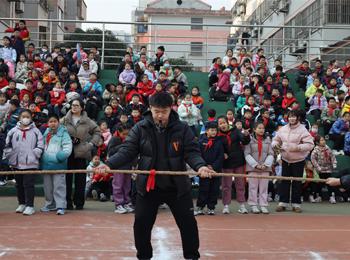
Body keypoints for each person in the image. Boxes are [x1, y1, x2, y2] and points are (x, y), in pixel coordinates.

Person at [100, 92, 215, 259]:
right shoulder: (140, 128)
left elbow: (192, 152)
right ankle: (144, 256)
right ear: (150, 109)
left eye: (164, 111)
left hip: (177, 187)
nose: (160, 115)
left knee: (188, 224)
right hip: (148, 186)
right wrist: (108, 164)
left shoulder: (182, 129)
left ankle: (191, 256)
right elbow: (127, 151)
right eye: (156, 111)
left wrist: (201, 166)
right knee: (141, 224)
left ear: (171, 109)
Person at [60, 99, 101, 210]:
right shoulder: (64, 120)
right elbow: (57, 131)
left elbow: (97, 132)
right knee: (67, 179)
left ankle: (79, 203)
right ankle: (67, 202)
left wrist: (90, 144)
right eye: (73, 105)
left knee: (80, 179)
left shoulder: (87, 121)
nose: (74, 107)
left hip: (82, 153)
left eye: (77, 105)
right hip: (67, 153)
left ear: (82, 107)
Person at [272, 110, 314, 213]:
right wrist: (275, 145)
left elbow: (310, 144)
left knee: (297, 182)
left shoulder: (303, 130)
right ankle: (283, 203)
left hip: (298, 161)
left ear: (298, 118)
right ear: (287, 118)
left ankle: (296, 204)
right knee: (284, 182)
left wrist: (296, 147)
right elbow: (276, 140)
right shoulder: (283, 129)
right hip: (285, 159)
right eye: (290, 117)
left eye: (294, 117)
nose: (292, 119)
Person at [4, 109, 44, 216]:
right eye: (23, 116)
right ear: (20, 118)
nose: (25, 119)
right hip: (16, 163)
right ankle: (21, 203)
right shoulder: (13, 131)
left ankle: (30, 206)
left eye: (27, 117)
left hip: (30, 163)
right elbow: (7, 145)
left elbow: (40, 145)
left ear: (31, 118)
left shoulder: (36, 131)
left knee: (28, 184)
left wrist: (35, 153)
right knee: (19, 184)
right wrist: (11, 155)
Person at [217, 115, 250, 214]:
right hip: (226, 164)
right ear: (218, 125)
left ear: (228, 123)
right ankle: (226, 205)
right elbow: (217, 148)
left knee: (240, 184)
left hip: (238, 162)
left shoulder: (235, 131)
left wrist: (246, 135)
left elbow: (244, 141)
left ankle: (242, 205)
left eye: (224, 122)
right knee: (226, 185)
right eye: (220, 123)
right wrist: (222, 153)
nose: (222, 125)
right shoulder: (218, 135)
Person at [40, 114, 73, 215]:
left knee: (59, 186)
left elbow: (68, 149)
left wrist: (59, 157)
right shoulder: (46, 133)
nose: (53, 123)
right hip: (46, 165)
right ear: (48, 123)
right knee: (48, 187)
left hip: (59, 165)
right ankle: (50, 204)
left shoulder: (64, 133)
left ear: (58, 122)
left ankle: (60, 206)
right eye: (50, 122)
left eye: (55, 121)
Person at [195, 121, 224, 216]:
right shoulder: (200, 141)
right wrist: (204, 166)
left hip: (215, 170)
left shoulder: (219, 142)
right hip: (204, 170)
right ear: (206, 131)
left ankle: (211, 207)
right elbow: (198, 155)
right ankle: (200, 207)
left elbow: (220, 156)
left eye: (215, 130)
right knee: (204, 188)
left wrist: (214, 166)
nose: (214, 132)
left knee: (214, 189)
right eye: (211, 130)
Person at [245, 122, 274, 214]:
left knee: (264, 188)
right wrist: (255, 164)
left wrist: (266, 164)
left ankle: (263, 205)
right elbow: (247, 153)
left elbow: (271, 153)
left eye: (263, 128)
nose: (262, 130)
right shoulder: (249, 140)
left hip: (265, 168)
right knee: (253, 187)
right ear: (254, 129)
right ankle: (253, 205)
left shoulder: (268, 140)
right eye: (259, 128)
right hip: (253, 168)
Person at [108, 124, 134, 214]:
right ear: (119, 132)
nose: (126, 136)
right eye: (124, 134)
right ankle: (118, 204)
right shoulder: (114, 139)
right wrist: (123, 146)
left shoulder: (131, 139)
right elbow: (110, 152)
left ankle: (127, 202)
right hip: (118, 166)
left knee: (127, 186)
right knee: (118, 185)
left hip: (128, 166)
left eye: (128, 134)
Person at [311, 135, 337, 204]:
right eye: (321, 140)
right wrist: (318, 168)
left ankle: (331, 196)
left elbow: (332, 157)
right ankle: (318, 196)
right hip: (320, 170)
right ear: (317, 142)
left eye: (324, 140)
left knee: (330, 183)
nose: (323, 141)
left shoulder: (328, 149)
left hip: (328, 169)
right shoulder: (315, 151)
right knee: (319, 183)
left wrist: (334, 164)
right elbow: (313, 160)